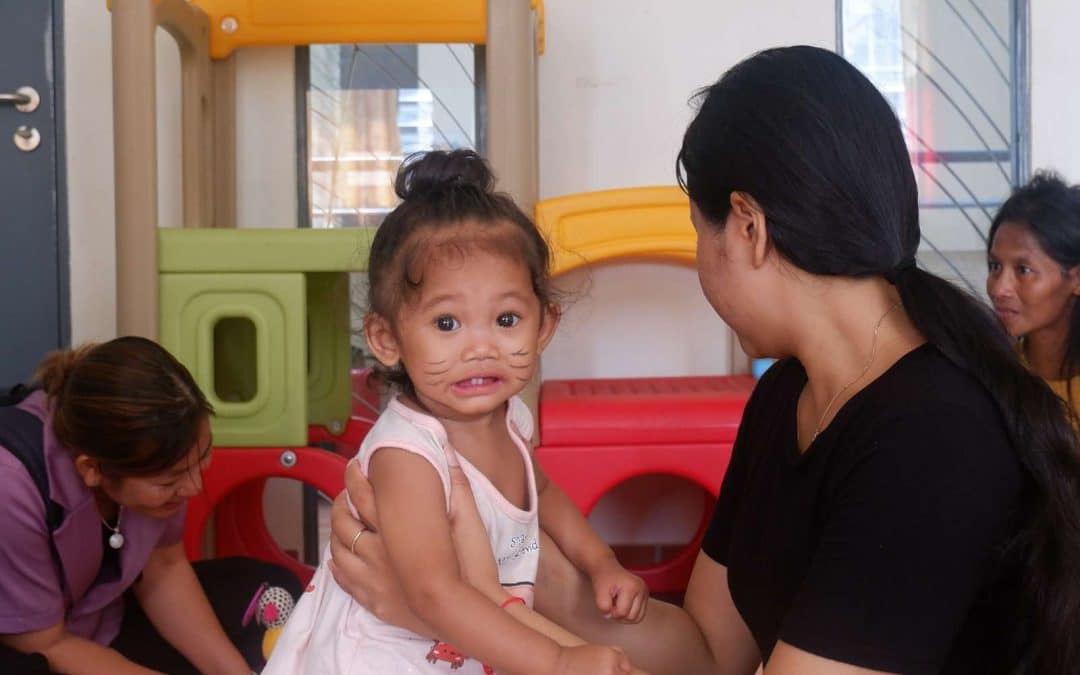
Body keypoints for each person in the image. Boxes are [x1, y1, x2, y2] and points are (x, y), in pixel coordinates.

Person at [326, 46, 1080, 675]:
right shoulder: (787, 395)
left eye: (699, 229)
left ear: (747, 227)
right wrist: (500, 581)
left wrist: (435, 609)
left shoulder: (932, 440)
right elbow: (706, 653)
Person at [263, 149, 649, 675]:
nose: (480, 347)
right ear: (386, 337)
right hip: (383, 660)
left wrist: (601, 563)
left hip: (469, 647)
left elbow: (545, 493)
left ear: (543, 327)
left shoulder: (513, 419)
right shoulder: (408, 454)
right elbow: (431, 593)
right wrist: (558, 661)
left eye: (506, 318)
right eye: (447, 324)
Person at [0, 336, 300, 675]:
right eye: (168, 481)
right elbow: (42, 643)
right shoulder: (11, 484)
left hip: (102, 620)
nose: (193, 487)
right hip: (35, 643)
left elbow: (164, 568)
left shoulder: (162, 449)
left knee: (272, 589)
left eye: (201, 461)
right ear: (93, 470)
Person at [987, 172, 1080, 413]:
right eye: (995, 266)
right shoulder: (991, 379)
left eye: (1023, 270)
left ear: (1077, 279)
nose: (998, 288)